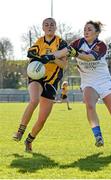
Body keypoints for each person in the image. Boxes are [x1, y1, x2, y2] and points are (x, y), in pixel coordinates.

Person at [42, 20, 111, 151]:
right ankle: (98, 136)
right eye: (85, 29)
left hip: (104, 81)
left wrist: (75, 54)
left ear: (97, 32)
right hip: (88, 82)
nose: (86, 31)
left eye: (89, 29)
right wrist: (47, 57)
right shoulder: (77, 43)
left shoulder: (101, 45)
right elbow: (63, 52)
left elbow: (89, 58)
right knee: (89, 104)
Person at [13, 18, 68, 152]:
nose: (49, 27)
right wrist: (38, 60)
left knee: (42, 119)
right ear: (43, 28)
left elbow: (64, 65)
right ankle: (20, 131)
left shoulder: (61, 43)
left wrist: (52, 57)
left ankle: (29, 140)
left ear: (56, 27)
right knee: (34, 100)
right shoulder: (39, 42)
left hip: (52, 81)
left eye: (52, 25)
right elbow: (31, 57)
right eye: (46, 25)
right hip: (37, 78)